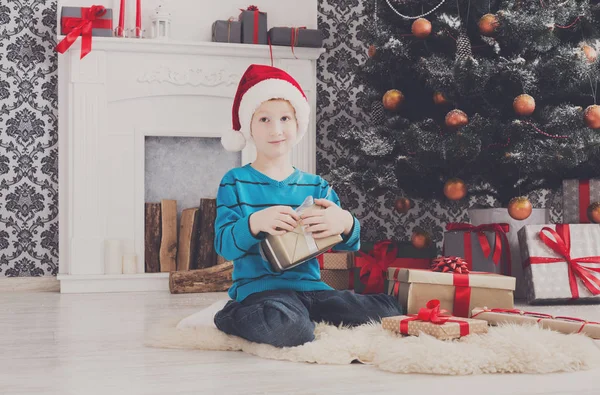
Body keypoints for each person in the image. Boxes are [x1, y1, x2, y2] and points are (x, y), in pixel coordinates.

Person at [213, 64, 401, 348]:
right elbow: (224, 245)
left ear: (297, 123)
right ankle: (232, 316)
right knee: (290, 330)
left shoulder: (317, 186)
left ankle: (301, 315)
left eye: (285, 118)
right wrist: (254, 223)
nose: (276, 129)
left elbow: (349, 244)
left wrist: (346, 223)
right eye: (264, 119)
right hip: (262, 292)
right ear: (248, 126)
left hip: (313, 290)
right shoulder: (235, 182)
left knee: (389, 310)